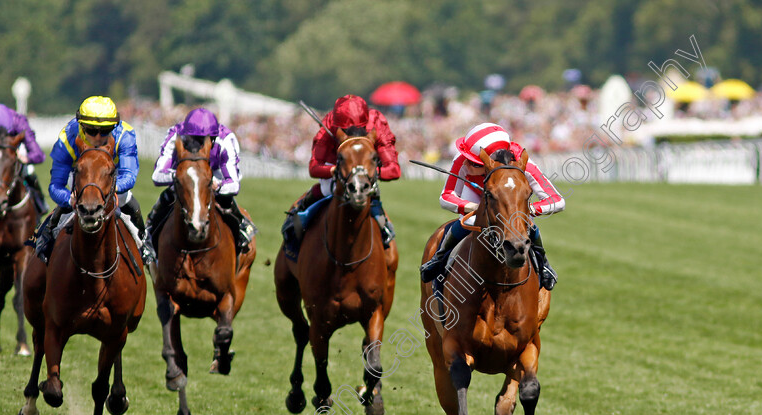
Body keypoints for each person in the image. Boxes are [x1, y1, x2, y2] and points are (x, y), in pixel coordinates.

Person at [420, 122, 565, 289]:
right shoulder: (462, 159)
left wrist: (529, 210)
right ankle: (440, 258)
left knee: (528, 225)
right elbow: (446, 197)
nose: (466, 165)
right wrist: (476, 208)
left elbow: (557, 200)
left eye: (474, 163)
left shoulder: (526, 166)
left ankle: (543, 263)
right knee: (468, 222)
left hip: (513, 204)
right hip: (477, 197)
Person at [31, 95, 154, 264]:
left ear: (114, 127)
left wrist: (109, 188)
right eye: (91, 130)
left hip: (109, 176)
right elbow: (56, 185)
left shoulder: (125, 135)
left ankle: (143, 242)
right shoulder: (67, 137)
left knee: (130, 203)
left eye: (105, 131)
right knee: (62, 211)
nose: (98, 137)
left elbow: (129, 175)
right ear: (81, 125)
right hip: (80, 176)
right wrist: (69, 199)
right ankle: (44, 239)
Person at [282, 94, 400, 250]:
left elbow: (394, 170)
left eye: (356, 130)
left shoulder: (377, 123)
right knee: (325, 188)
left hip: (366, 173)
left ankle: (385, 234)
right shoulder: (330, 123)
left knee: (371, 196)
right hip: (338, 167)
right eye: (344, 130)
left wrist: (366, 173)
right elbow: (314, 167)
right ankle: (298, 220)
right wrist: (336, 170)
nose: (349, 134)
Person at [147, 107, 255, 255]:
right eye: (195, 140)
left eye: (204, 140)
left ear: (214, 138)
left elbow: (234, 184)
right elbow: (157, 175)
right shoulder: (176, 135)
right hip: (185, 180)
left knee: (227, 201)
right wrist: (179, 177)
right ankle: (148, 236)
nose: (200, 145)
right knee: (165, 200)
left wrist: (216, 185)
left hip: (214, 177)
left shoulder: (226, 139)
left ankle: (241, 228)